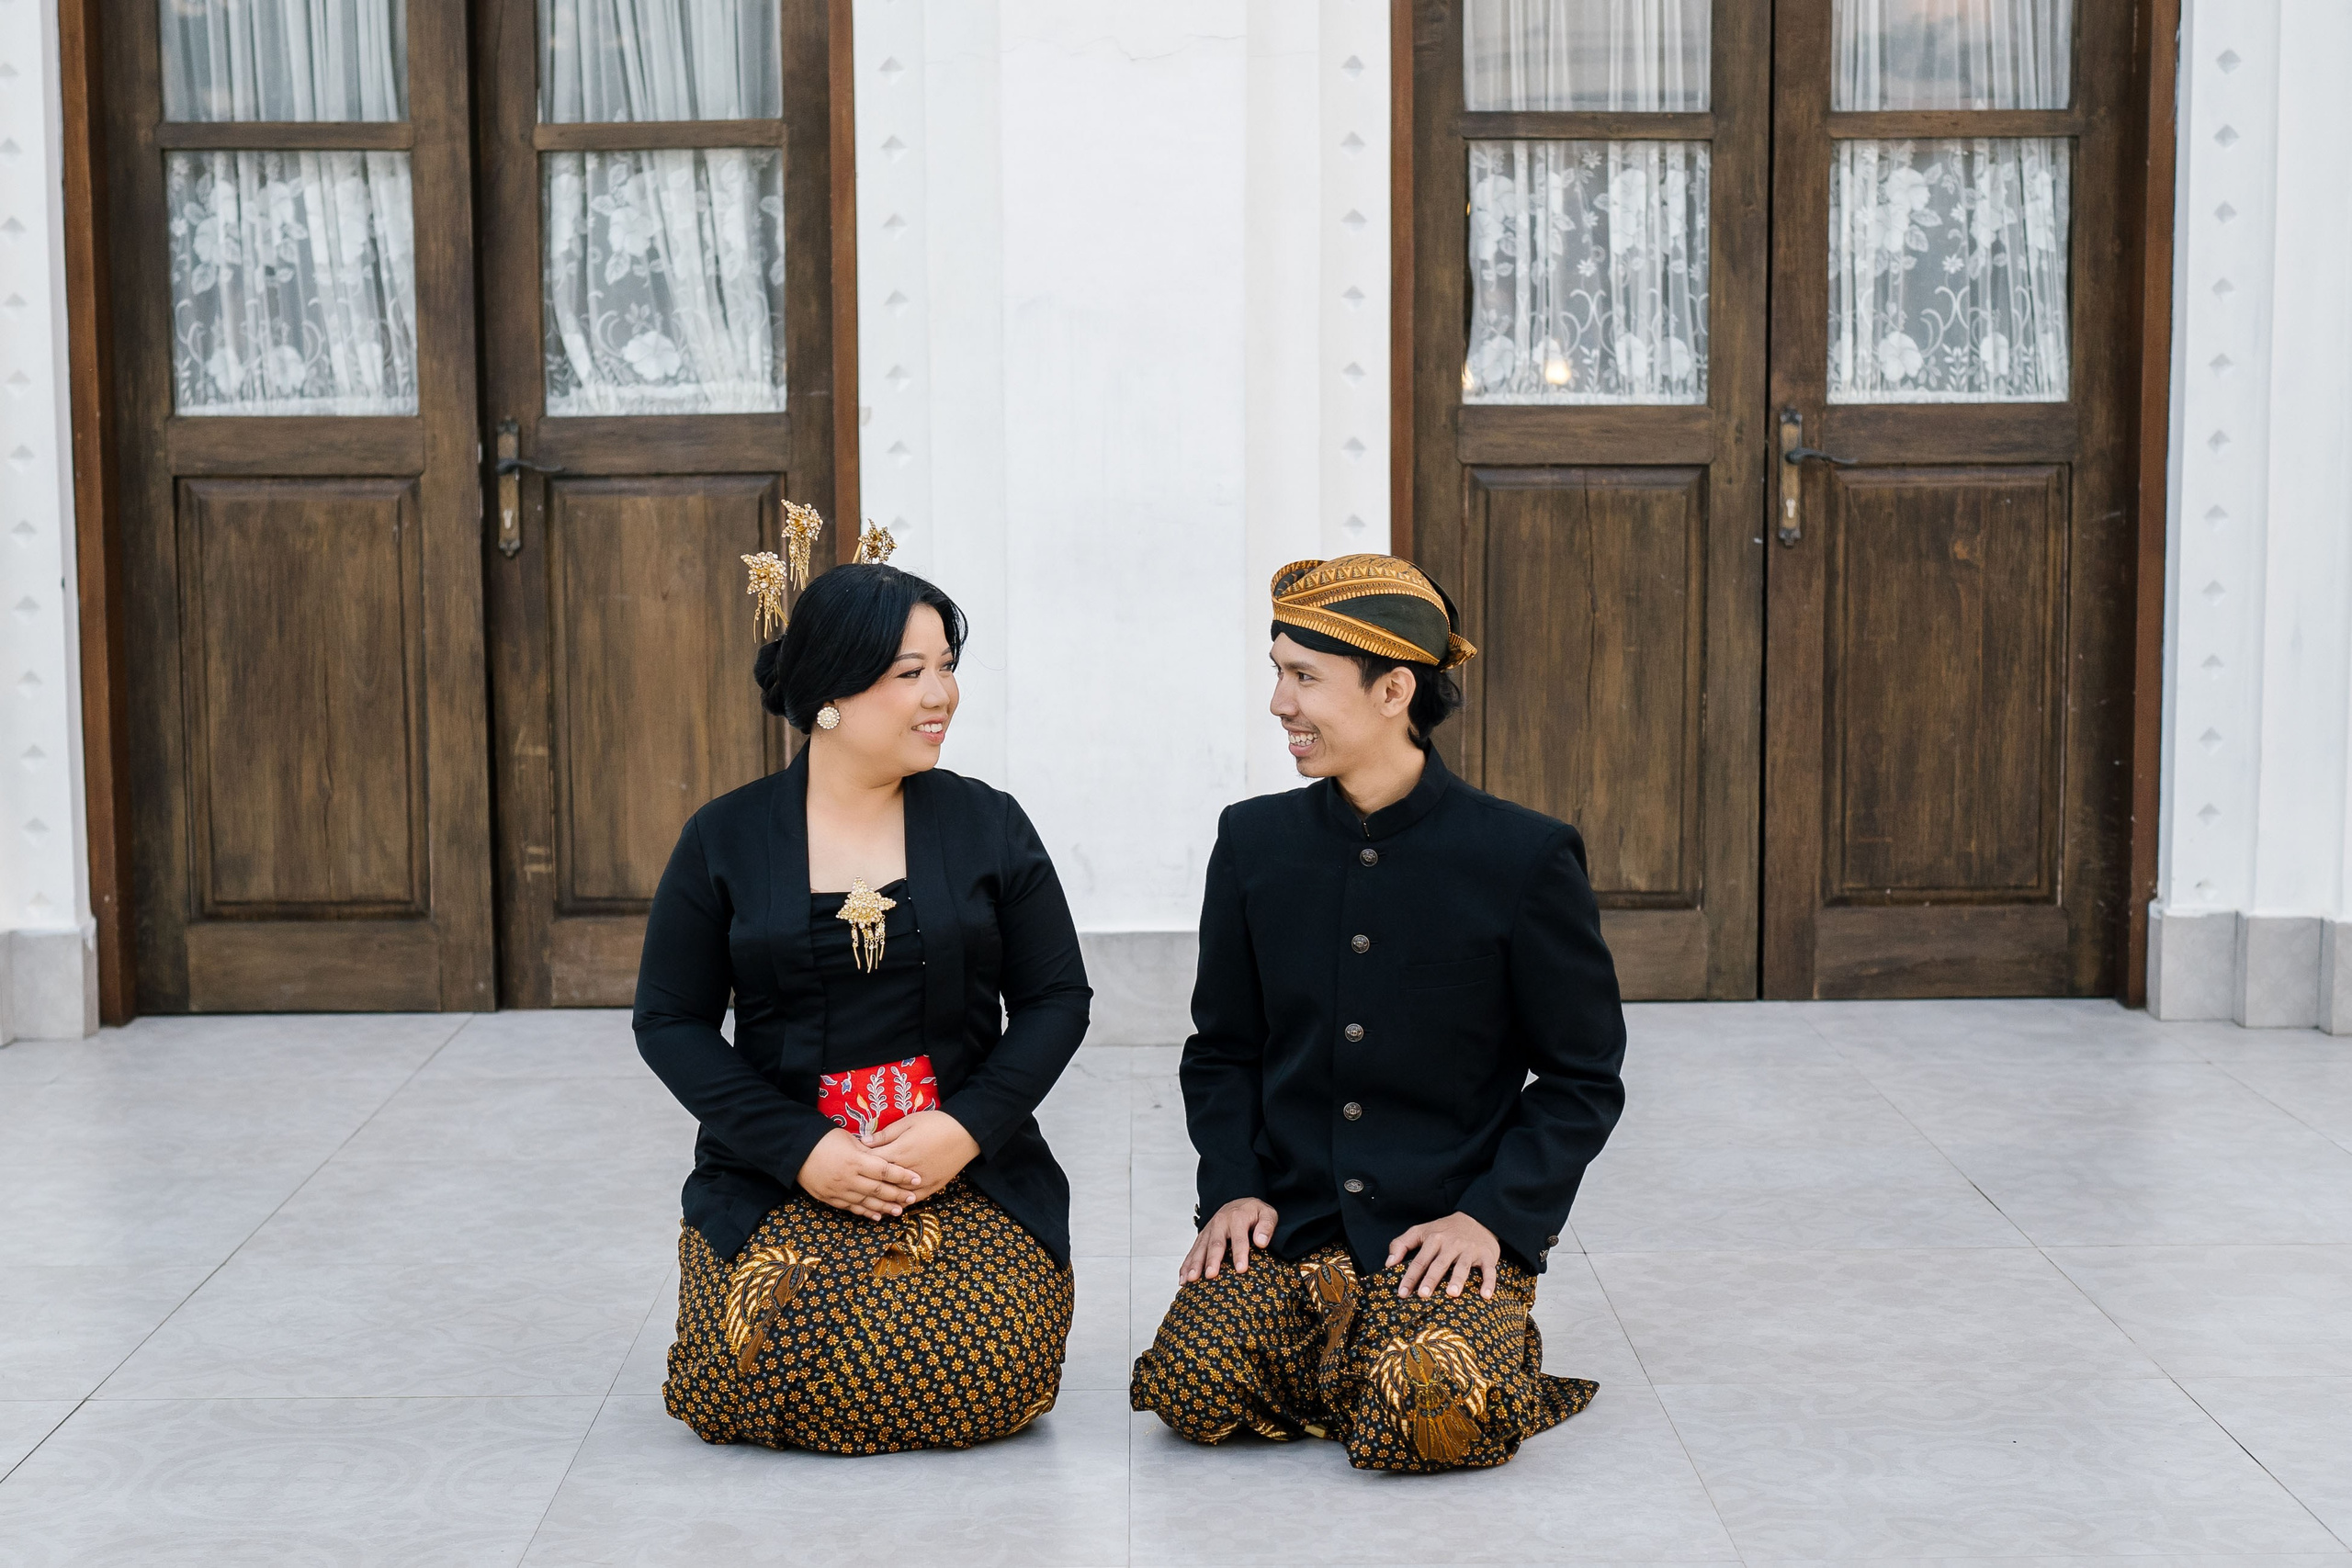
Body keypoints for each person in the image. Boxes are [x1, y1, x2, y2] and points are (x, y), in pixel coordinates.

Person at [1129, 553, 1626, 1473]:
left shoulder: (1523, 857)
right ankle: (1364, 1355)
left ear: (1394, 688)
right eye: (1276, 672)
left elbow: (1580, 1080)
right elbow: (1223, 1049)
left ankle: (1449, 1348)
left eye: (1304, 677)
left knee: (1425, 1416)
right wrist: (1232, 1187)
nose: (1279, 702)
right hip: (1293, 1219)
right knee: (1189, 1388)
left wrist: (1491, 1220)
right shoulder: (1253, 843)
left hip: (1441, 1228)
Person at [636, 522, 1091, 1454]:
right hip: (779, 1169)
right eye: (909, 672)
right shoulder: (724, 839)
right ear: (830, 696)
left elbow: (1056, 1001)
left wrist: (960, 1131)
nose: (942, 695)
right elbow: (670, 1021)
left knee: (980, 1358)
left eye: (946, 665)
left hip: (963, 1165)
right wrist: (804, 1150)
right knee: (749, 1364)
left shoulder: (987, 824)